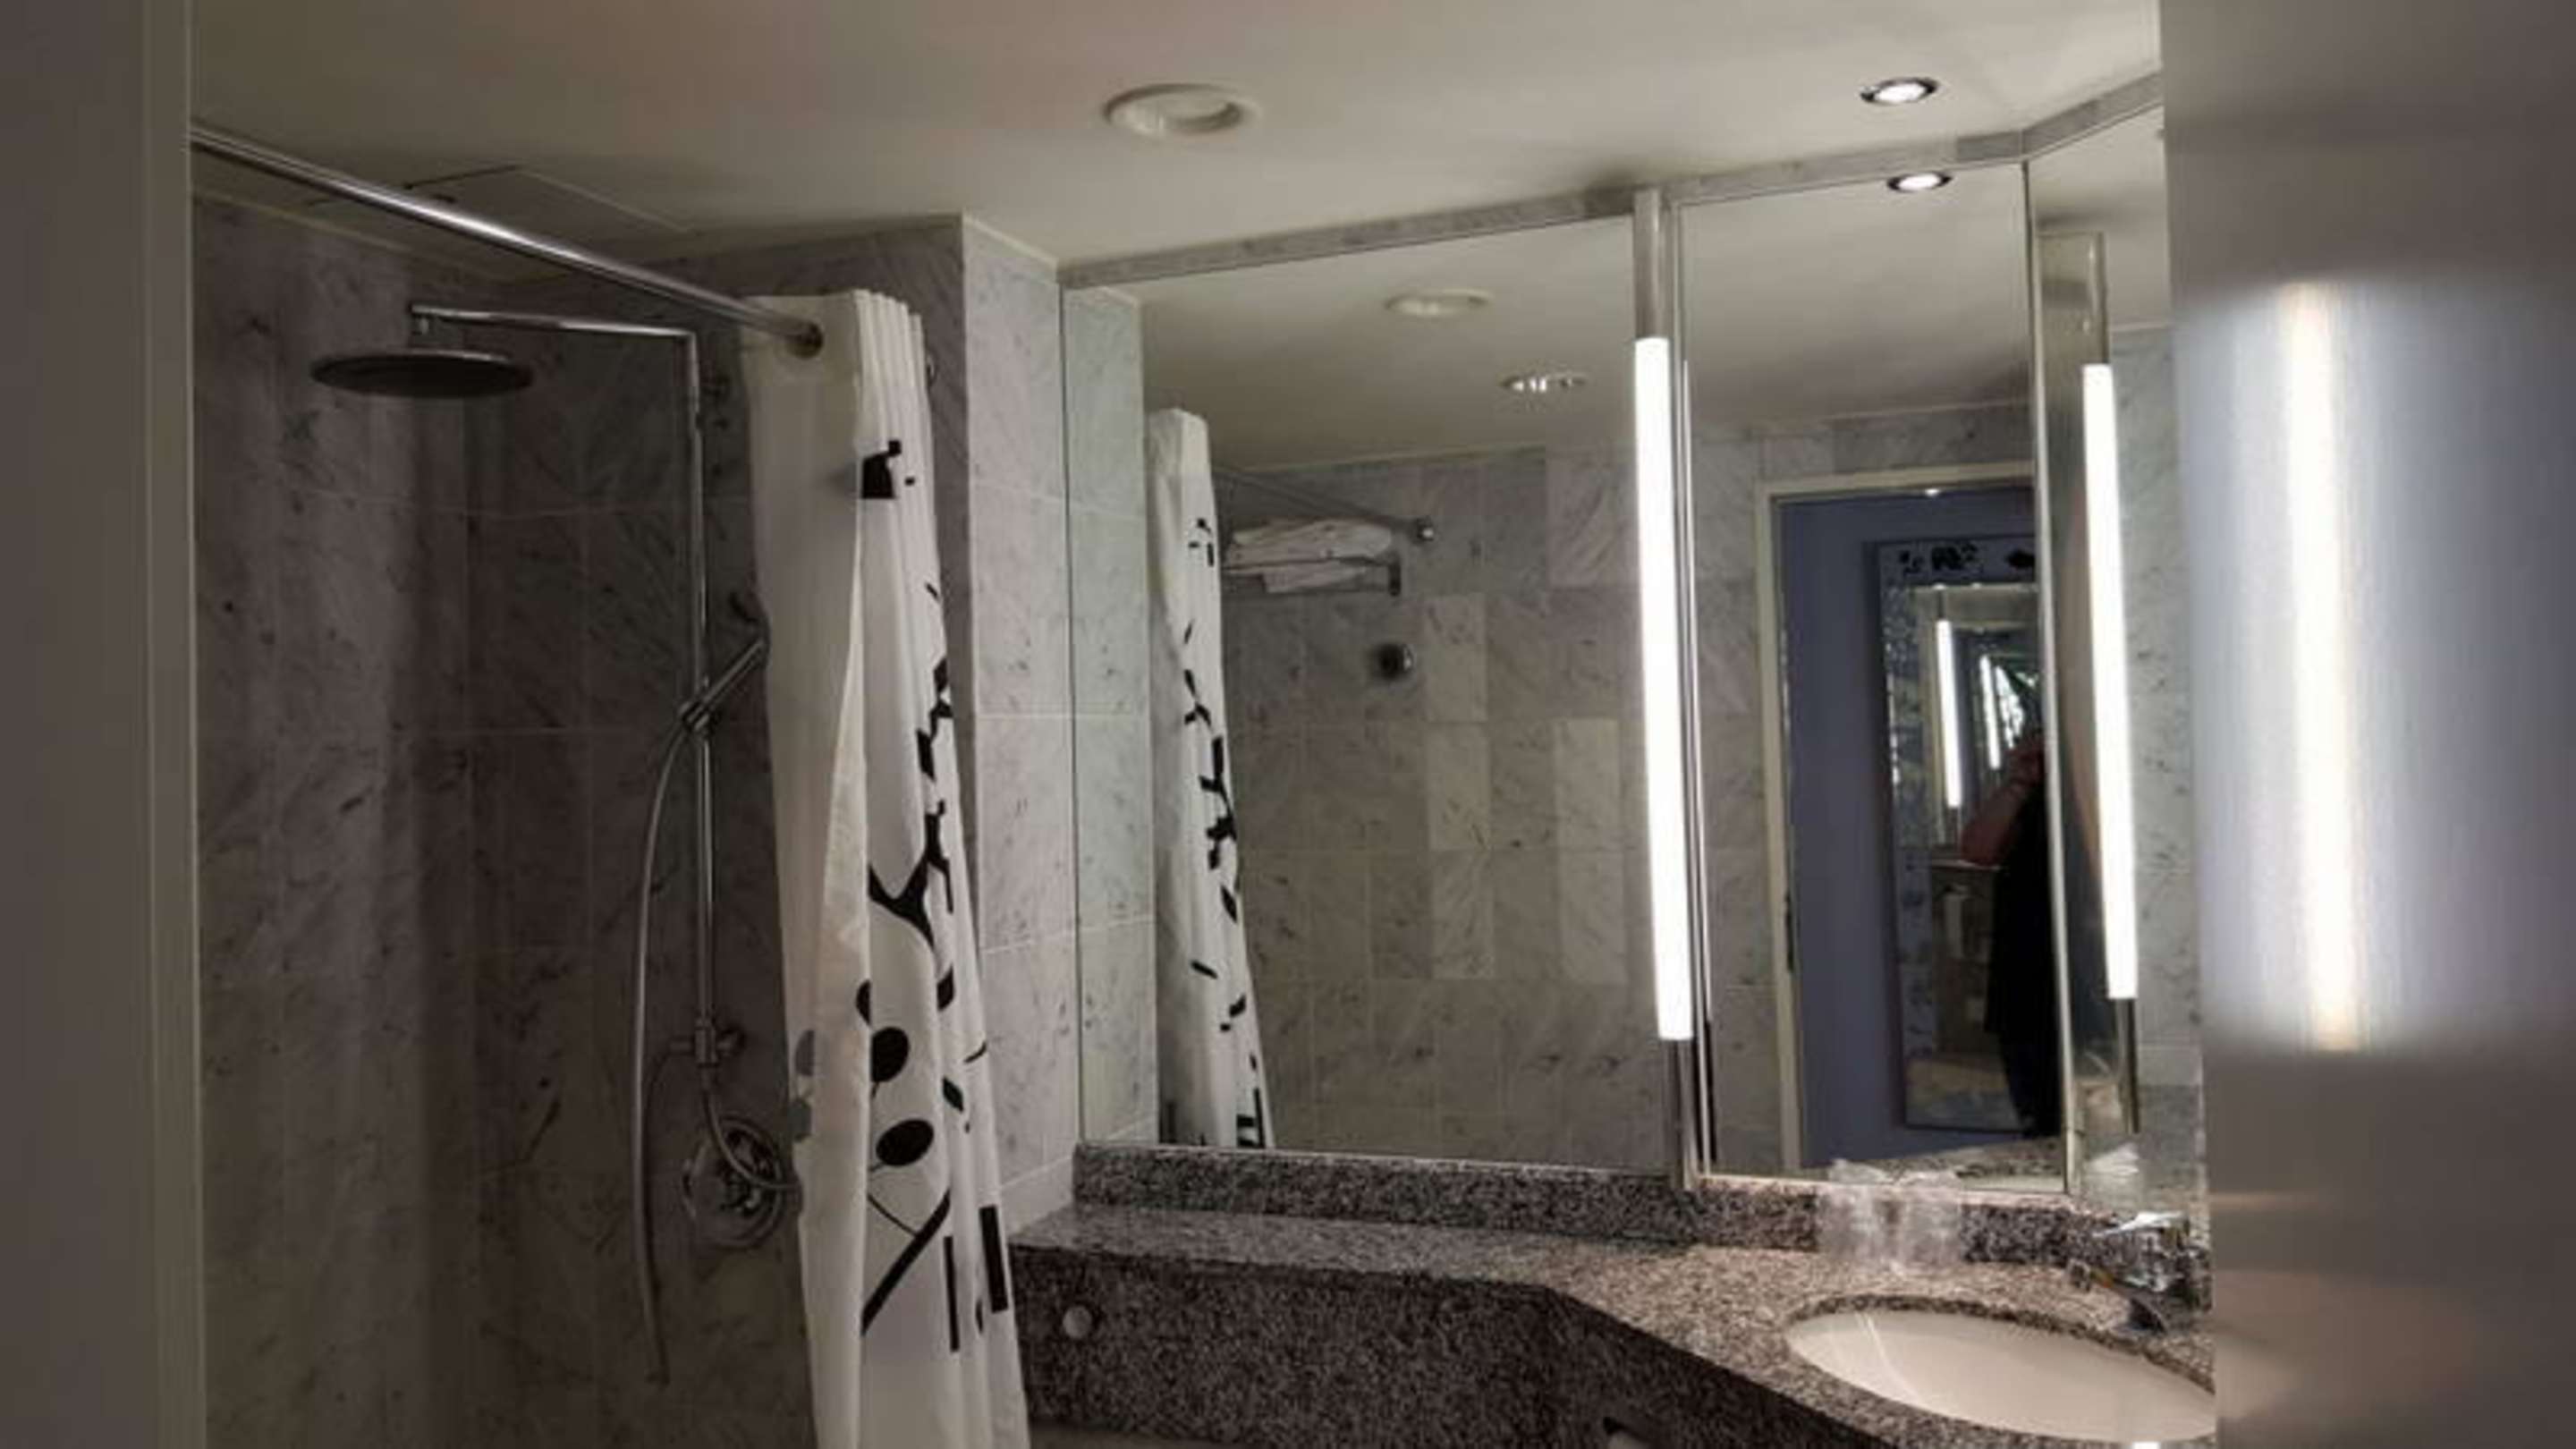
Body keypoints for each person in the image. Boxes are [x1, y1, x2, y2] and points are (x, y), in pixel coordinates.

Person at [1959, 730, 2061, 1136]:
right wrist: (2019, 783)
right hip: (2022, 980)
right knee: (2038, 1118)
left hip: (2080, 978)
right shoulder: (2025, 800)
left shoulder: (2093, 800)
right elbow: (1978, 850)